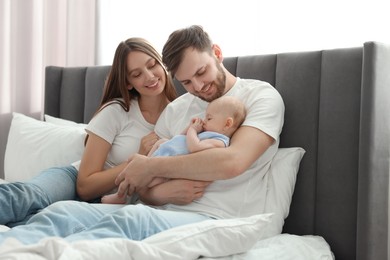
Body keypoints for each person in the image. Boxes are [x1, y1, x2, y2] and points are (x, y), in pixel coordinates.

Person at [0, 25, 284, 245]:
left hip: (216, 216)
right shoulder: (177, 109)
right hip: (157, 209)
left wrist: (150, 169)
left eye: (202, 72)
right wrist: (157, 192)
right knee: (61, 213)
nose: (198, 86)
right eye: (186, 81)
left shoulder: (260, 97)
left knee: (130, 222)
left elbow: (232, 162)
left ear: (217, 54)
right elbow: (142, 182)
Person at [0, 37, 205, 227]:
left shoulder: (181, 116)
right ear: (127, 83)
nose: (150, 76)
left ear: (163, 65)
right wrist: (139, 161)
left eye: (152, 65)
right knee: (27, 196)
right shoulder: (117, 111)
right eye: (137, 74)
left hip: (120, 201)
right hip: (72, 181)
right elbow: (85, 185)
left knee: (35, 223)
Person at [101, 95, 247, 204]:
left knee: (145, 181)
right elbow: (180, 137)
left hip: (167, 166)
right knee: (161, 142)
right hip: (166, 150)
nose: (205, 120)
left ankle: (121, 196)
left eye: (209, 118)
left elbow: (194, 147)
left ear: (227, 124)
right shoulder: (208, 133)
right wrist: (189, 128)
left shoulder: (219, 142)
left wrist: (193, 131)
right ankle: (146, 161)